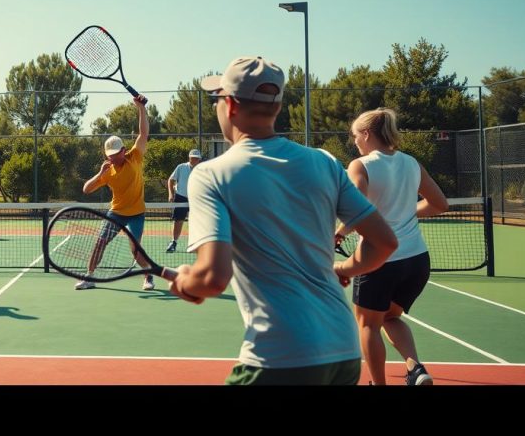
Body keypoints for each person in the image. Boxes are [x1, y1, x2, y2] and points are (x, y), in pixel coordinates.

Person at [168, 56, 399, 385]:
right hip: (344, 353)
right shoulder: (324, 162)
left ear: (230, 105)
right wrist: (342, 269)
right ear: (276, 108)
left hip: (278, 359)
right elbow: (385, 242)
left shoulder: (210, 174)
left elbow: (212, 277)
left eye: (218, 98)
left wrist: (186, 281)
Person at [335, 108, 448, 386]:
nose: (355, 142)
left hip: (380, 261)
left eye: (355, 136)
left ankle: (378, 384)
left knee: (368, 325)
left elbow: (356, 207)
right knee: (389, 318)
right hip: (417, 262)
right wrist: (406, 211)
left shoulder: (360, 165)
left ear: (366, 133)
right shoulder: (411, 163)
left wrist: (340, 232)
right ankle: (416, 369)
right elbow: (440, 204)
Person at [77, 94, 155, 291]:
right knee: (100, 243)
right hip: (116, 213)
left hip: (136, 213)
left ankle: (148, 276)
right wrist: (99, 174)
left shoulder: (135, 157)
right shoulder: (107, 171)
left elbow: (143, 134)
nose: (114, 158)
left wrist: (140, 108)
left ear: (123, 150)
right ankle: (89, 277)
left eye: (116, 154)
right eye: (110, 156)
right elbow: (86, 189)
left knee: (136, 252)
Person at [166, 149, 203, 252]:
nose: (194, 160)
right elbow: (171, 180)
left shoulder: (202, 169)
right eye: (192, 158)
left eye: (196, 158)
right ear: (189, 158)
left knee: (197, 222)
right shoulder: (181, 167)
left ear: (199, 159)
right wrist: (171, 194)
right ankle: (174, 242)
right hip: (181, 197)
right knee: (178, 221)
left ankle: (196, 244)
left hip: (196, 199)